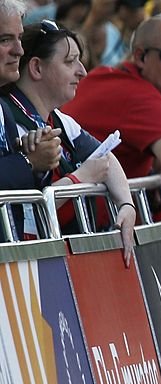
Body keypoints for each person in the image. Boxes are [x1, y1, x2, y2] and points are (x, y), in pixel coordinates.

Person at [62, 16, 161, 305]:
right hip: (74, 234)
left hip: (73, 228)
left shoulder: (107, 76)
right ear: (141, 56)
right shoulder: (142, 98)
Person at [3, 20, 136, 263]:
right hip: (23, 265)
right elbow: (27, 209)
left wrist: (126, 204)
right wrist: (80, 179)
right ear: (36, 68)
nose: (82, 71)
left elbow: (106, 158)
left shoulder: (60, 121)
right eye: (69, 61)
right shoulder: (9, 120)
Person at [0, 0, 62, 208]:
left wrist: (37, 161)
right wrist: (28, 162)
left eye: (20, 38)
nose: (19, 51)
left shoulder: (4, 109)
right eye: (5, 40)